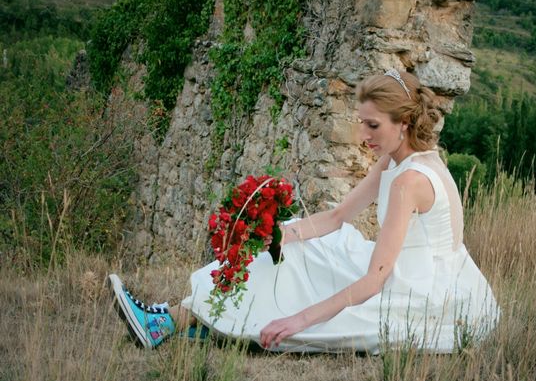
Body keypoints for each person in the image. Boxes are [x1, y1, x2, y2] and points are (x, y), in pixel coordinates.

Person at [109, 69, 499, 353]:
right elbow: (335, 217)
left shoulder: (407, 182)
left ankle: (171, 321)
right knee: (288, 246)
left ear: (405, 123)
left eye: (373, 126)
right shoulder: (399, 160)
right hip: (402, 273)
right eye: (361, 123)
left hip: (418, 295)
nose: (363, 137)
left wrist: (300, 321)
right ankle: (183, 318)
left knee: (303, 285)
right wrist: (268, 237)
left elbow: (373, 282)